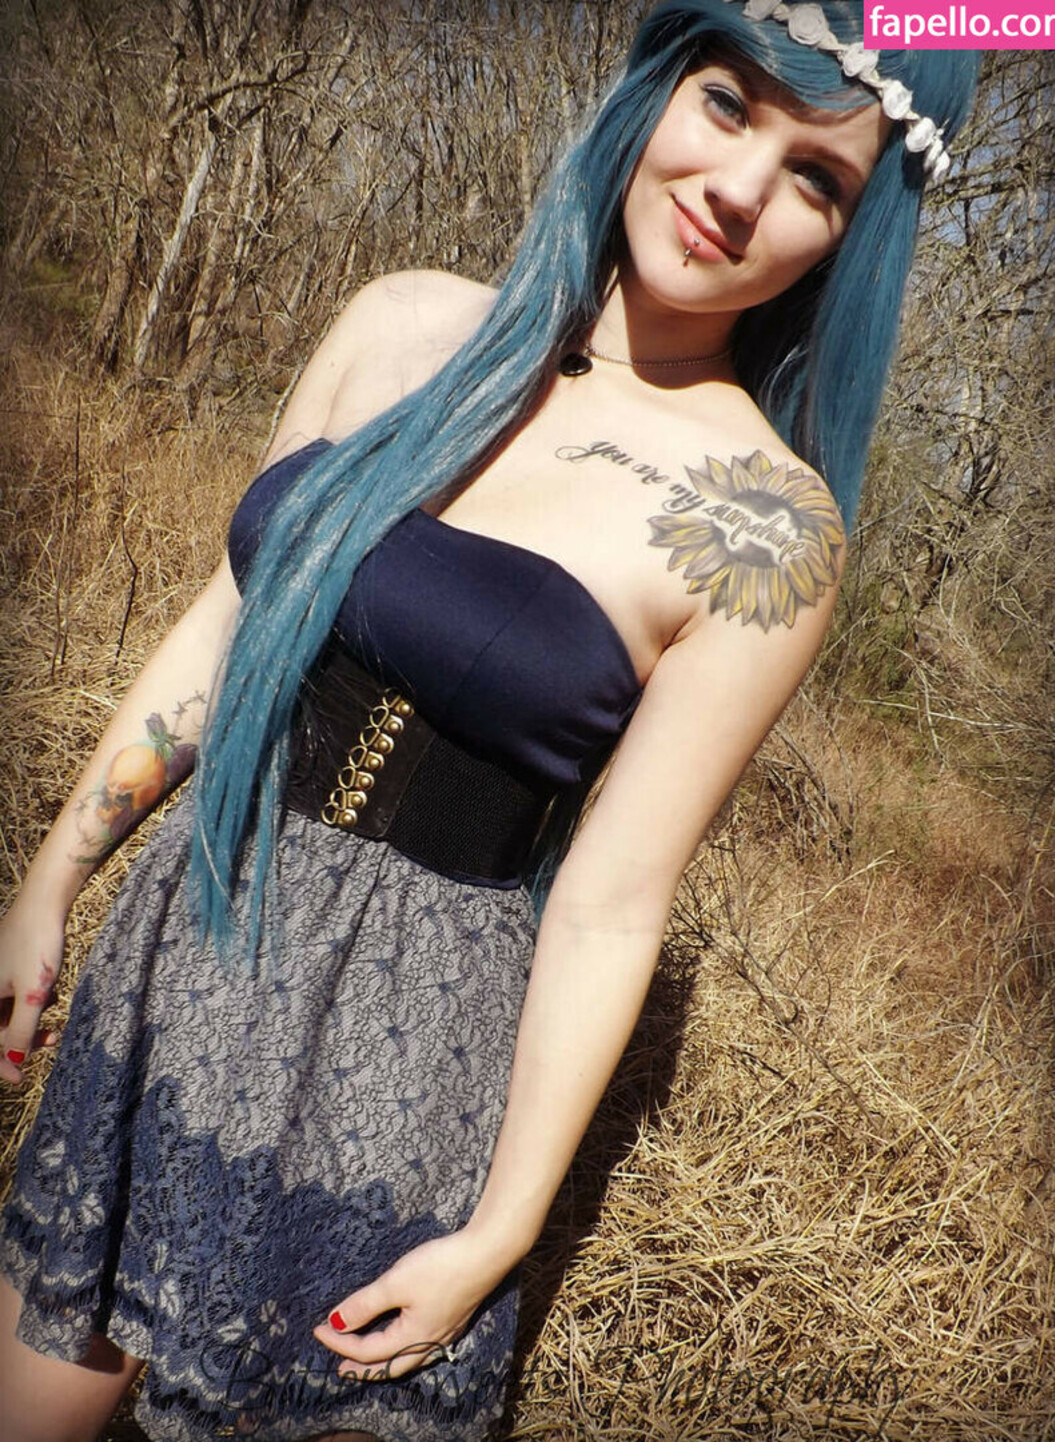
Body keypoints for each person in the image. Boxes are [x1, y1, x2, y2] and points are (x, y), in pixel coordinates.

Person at [0, 2, 978, 1439]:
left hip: (399, 1068)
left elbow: (612, 902)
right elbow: (227, 626)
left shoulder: (766, 529)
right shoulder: (404, 326)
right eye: (727, 104)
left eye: (816, 178)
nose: (738, 189)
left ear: (850, 238)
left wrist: (500, 1231)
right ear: (660, 86)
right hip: (186, 939)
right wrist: (52, 878)